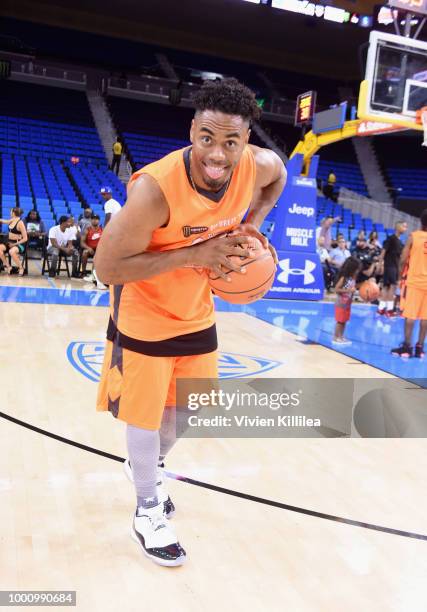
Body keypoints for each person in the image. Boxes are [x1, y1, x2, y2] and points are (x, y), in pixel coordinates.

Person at [94, 78, 286, 566]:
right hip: (145, 310)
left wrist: (253, 226)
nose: (217, 154)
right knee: (143, 412)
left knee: (191, 407)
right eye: (207, 138)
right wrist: (196, 253)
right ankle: (146, 509)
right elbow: (107, 269)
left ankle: (149, 466)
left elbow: (279, 173)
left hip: (196, 306)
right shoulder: (155, 191)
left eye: (230, 142)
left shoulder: (255, 165)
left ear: (245, 142)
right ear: (193, 130)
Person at [391, 209, 427, 358]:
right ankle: (420, 349)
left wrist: (400, 276)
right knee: (425, 317)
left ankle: (406, 348)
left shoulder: (414, 236)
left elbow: (403, 259)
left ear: (421, 221)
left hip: (414, 281)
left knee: (410, 315)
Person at [377, 221, 407, 316]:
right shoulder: (391, 239)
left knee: (386, 286)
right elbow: (383, 252)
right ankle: (389, 310)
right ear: (398, 227)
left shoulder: (400, 242)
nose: (405, 228)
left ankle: (381, 308)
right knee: (392, 287)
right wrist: (380, 264)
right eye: (404, 226)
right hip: (390, 266)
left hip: (394, 267)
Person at [333, 256, 361, 345]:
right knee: (340, 321)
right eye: (356, 270)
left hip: (347, 304)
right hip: (341, 303)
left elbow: (352, 291)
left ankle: (341, 336)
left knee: (344, 321)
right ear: (351, 269)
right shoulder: (344, 278)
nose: (357, 271)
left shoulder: (353, 279)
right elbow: (336, 289)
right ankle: (335, 337)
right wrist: (348, 291)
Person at [0, 207, 27, 276]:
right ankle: (9, 267)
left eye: (11, 211)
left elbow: (25, 238)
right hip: (9, 242)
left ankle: (21, 268)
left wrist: (14, 244)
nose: (10, 213)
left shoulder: (20, 223)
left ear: (13, 213)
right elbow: (4, 221)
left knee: (11, 251)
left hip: (19, 243)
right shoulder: (12, 220)